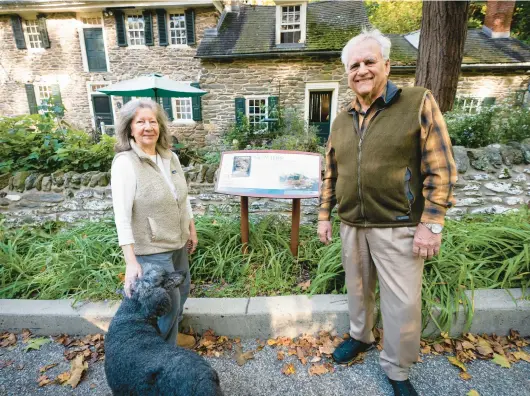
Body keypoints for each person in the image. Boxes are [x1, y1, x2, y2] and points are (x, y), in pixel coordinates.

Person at [317, 29, 457, 396]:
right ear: (347, 72)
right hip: (352, 223)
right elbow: (330, 171)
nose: (361, 70)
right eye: (354, 65)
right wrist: (323, 216)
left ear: (387, 65)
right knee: (357, 289)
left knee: (402, 303)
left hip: (399, 224)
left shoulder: (416, 102)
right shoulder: (341, 119)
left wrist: (432, 223)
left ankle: (396, 369)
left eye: (369, 62)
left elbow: (441, 167)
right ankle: (361, 336)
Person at [111, 99, 198, 347]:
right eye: (140, 122)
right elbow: (122, 215)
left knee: (181, 292)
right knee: (166, 305)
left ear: (160, 126)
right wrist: (130, 260)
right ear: (130, 129)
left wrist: (191, 228)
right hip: (152, 249)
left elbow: (182, 196)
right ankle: (163, 354)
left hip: (178, 241)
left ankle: (172, 336)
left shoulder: (170, 157)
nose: (148, 127)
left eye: (152, 121)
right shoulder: (125, 164)